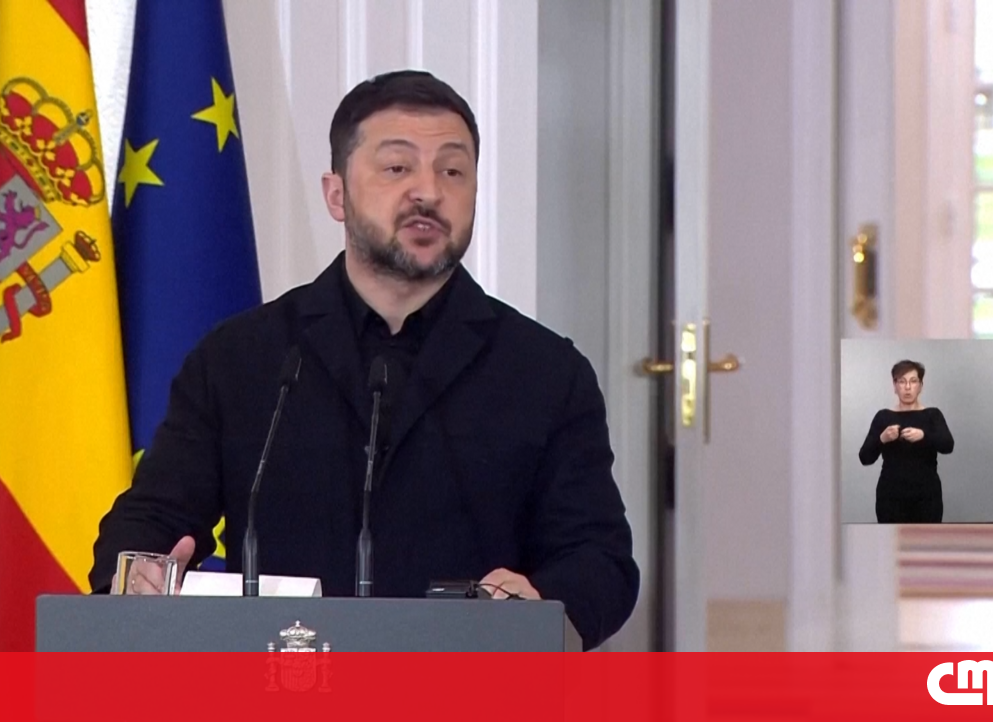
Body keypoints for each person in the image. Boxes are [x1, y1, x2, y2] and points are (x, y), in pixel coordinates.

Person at [89, 70, 639, 649]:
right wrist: (138, 574)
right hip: (280, 681)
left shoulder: (545, 372)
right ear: (337, 194)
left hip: (470, 682)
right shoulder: (242, 358)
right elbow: (151, 521)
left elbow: (599, 559)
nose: (428, 192)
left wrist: (541, 604)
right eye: (397, 168)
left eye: (452, 171)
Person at [858, 360, 954, 523]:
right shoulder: (883, 416)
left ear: (921, 386)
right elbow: (865, 458)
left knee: (927, 536)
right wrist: (882, 438)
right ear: (895, 386)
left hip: (927, 496)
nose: (907, 387)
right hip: (890, 497)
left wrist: (924, 435)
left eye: (913, 381)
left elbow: (948, 445)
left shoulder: (932, 415)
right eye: (902, 382)